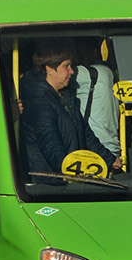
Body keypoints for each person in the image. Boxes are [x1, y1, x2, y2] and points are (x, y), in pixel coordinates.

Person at [19, 42, 119, 175]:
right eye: (66, 66)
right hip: (51, 183)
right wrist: (65, 169)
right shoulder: (40, 102)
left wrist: (108, 158)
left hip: (70, 175)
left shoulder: (66, 95)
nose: (72, 71)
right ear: (49, 69)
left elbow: (85, 132)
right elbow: (49, 142)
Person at [72, 57, 120, 154]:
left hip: (94, 146)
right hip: (112, 145)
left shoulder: (92, 73)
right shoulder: (115, 82)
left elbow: (55, 76)